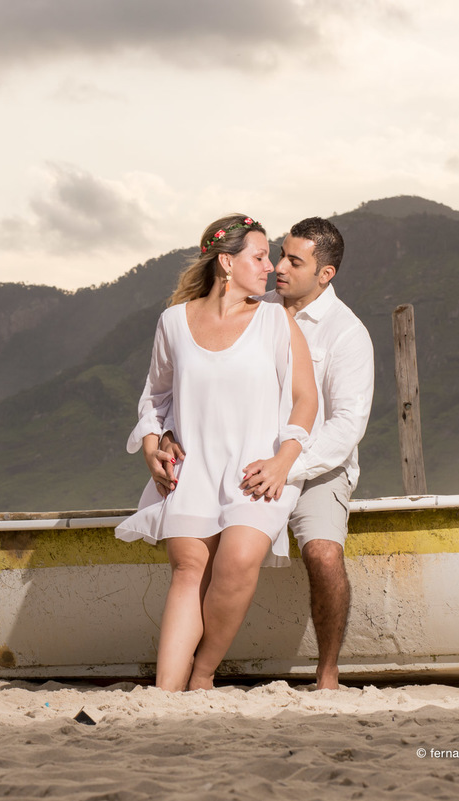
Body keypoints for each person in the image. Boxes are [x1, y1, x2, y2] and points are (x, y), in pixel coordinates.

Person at [162, 217, 374, 690]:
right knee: (207, 557)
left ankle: (327, 672)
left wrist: (286, 465)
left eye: (294, 261)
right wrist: (168, 433)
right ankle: (192, 674)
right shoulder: (254, 304)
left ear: (325, 274)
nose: (278, 266)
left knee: (321, 553)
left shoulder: (347, 333)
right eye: (278, 254)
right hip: (247, 462)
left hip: (315, 467)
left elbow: (346, 425)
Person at [116, 213, 318, 692]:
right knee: (188, 570)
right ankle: (166, 694)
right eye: (259, 256)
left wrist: (283, 460)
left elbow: (307, 399)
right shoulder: (172, 323)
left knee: (238, 561)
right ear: (226, 263)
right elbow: (156, 397)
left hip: (257, 469)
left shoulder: (275, 319)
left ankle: (201, 675)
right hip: (192, 471)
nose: (269, 267)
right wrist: (151, 446)